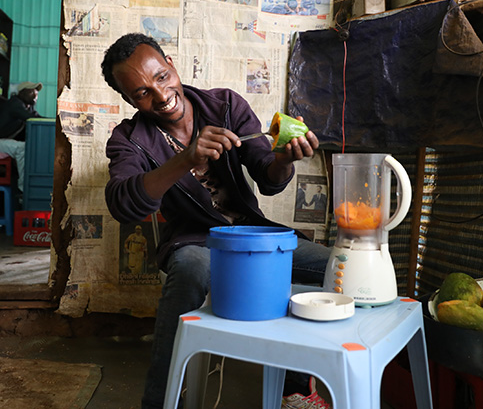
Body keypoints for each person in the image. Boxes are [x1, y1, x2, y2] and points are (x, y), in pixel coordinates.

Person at [101, 33, 332, 409]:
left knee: (336, 267)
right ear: (129, 101)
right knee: (190, 270)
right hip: (193, 242)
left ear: (171, 63)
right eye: (142, 93)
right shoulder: (129, 139)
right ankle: (159, 402)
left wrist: (284, 159)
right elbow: (122, 205)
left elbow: (267, 176)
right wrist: (183, 161)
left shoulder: (224, 105)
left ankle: (294, 389)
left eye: (161, 77)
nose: (160, 95)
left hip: (252, 236)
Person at [0, 81, 42, 193]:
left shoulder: (27, 108)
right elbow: (31, 118)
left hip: (2, 143)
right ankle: (24, 189)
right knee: (23, 148)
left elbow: (38, 118)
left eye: (36, 93)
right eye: (32, 92)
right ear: (22, 93)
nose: (36, 95)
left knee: (29, 149)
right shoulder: (15, 104)